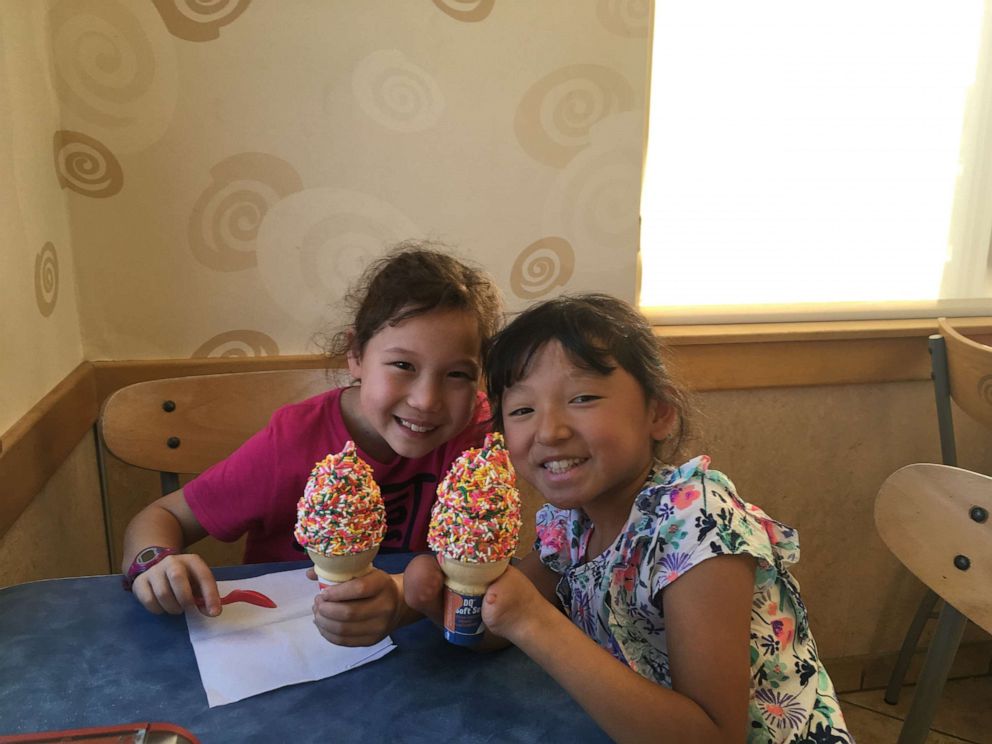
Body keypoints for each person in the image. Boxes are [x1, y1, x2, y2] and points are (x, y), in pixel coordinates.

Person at [405, 294, 852, 743]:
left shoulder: (696, 524)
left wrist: (534, 621)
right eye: (522, 410)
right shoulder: (568, 526)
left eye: (582, 397)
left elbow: (714, 738)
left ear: (658, 413)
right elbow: (498, 627)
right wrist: (436, 601)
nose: (549, 430)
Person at [121, 242, 503, 648]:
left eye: (458, 374)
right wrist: (155, 562)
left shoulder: (478, 440)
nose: (427, 400)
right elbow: (163, 516)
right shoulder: (293, 442)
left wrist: (399, 596)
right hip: (289, 642)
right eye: (403, 366)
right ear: (355, 355)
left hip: (421, 646)